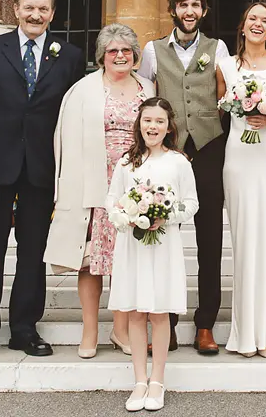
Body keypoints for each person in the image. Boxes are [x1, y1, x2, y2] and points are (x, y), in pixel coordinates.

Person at [0, 0, 85, 360]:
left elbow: (74, 116)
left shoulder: (70, 56)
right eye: (29, 8)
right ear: (15, 9)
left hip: (42, 168)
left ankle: (25, 329)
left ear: (52, 14)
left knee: (33, 252)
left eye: (43, 10)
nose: (35, 15)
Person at [44, 23, 153, 358]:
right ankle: (90, 330)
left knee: (126, 260)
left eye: (126, 50)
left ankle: (120, 330)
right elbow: (64, 138)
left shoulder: (148, 87)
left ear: (135, 56)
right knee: (89, 261)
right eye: (112, 51)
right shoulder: (83, 90)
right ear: (102, 57)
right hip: (93, 181)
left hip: (135, 185)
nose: (120, 56)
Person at [137, 0, 229, 354]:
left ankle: (205, 324)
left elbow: (227, 94)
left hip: (209, 148)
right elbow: (145, 97)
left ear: (203, 12)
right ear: (173, 10)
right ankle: (166, 322)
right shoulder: (153, 50)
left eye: (196, 6)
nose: (189, 12)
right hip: (170, 152)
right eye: (183, 5)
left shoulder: (217, 48)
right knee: (166, 238)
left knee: (210, 241)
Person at [215, 1, 266, 356]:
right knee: (245, 240)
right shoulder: (225, 66)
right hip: (240, 157)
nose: (258, 24)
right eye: (252, 18)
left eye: (265, 20)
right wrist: (243, 107)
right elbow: (221, 107)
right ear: (243, 24)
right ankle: (246, 333)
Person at [107, 98, 199, 412]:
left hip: (163, 245)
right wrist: (126, 214)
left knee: (159, 313)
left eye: (159, 121)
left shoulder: (178, 162)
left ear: (169, 126)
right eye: (148, 121)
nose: (153, 127)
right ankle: (139, 380)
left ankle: (157, 379)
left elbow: (191, 203)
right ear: (139, 124)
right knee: (135, 312)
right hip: (133, 246)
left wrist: (166, 216)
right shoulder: (126, 162)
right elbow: (112, 200)